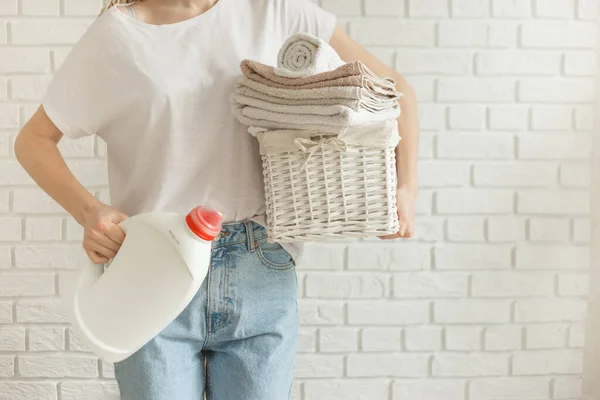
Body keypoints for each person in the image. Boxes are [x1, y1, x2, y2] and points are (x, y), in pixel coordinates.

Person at [14, 0, 419, 398]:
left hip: (260, 264)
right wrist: (89, 211)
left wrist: (403, 189)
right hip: (153, 267)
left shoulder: (278, 12)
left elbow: (397, 93)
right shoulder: (116, 36)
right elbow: (33, 140)